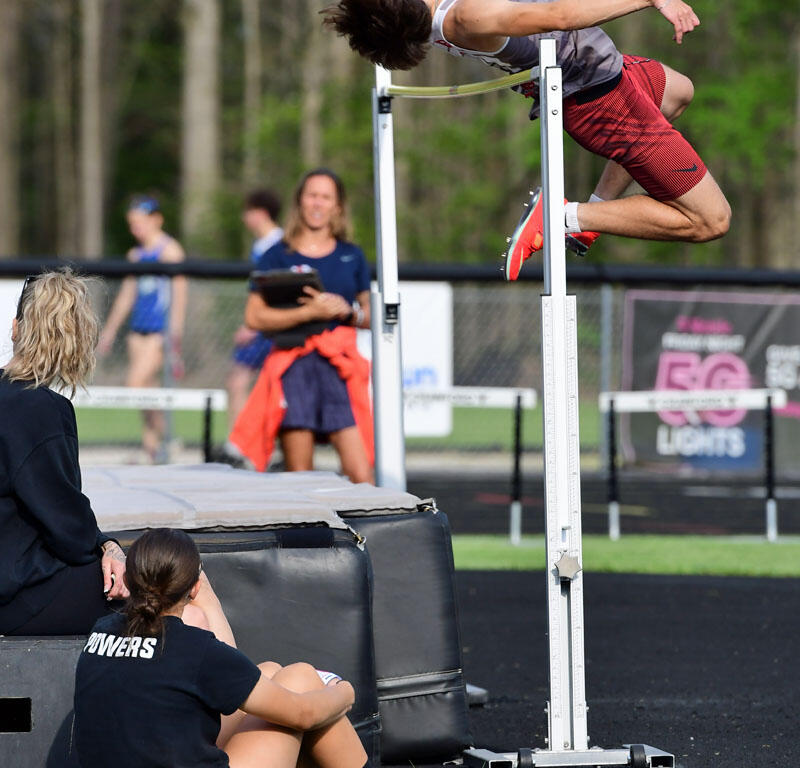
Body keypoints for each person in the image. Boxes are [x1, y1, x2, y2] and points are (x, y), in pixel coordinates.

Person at [322, 0, 731, 280]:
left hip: (601, 70)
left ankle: (594, 212)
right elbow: (561, 14)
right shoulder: (468, 16)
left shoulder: (442, 11)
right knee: (711, 219)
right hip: (601, 98)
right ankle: (564, 217)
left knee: (678, 92)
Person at [74, 528, 369, 768]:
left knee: (268, 672)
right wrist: (344, 691)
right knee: (301, 679)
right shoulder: (194, 649)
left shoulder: (100, 631)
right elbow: (302, 714)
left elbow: (229, 674)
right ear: (194, 588)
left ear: (127, 579)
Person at [0, 270, 128, 636]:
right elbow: (69, 532)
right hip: (18, 594)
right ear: (78, 339)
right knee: (177, 590)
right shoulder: (41, 410)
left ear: (15, 328)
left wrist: (104, 542)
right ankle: (243, 691)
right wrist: (107, 546)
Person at [228, 169, 374, 483]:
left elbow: (371, 314)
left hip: (340, 368)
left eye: (326, 197)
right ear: (300, 201)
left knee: (362, 474)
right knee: (300, 477)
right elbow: (255, 317)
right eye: (312, 195)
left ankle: (366, 534)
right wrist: (309, 313)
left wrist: (348, 313)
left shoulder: (352, 255)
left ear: (337, 206)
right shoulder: (276, 255)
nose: (318, 203)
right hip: (294, 366)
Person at [97, 195, 188, 460]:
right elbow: (127, 295)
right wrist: (111, 330)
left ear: (156, 220)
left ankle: (168, 438)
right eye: (132, 223)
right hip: (138, 330)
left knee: (135, 384)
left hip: (159, 332)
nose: (135, 228)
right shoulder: (135, 255)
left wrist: (174, 335)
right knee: (147, 391)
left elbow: (179, 297)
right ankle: (153, 448)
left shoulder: (170, 251)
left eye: (140, 222)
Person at [226, 189, 283, 432]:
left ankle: (242, 442)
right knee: (239, 383)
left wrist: (253, 326)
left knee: (245, 383)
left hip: (270, 327)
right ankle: (241, 441)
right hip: (260, 324)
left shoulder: (279, 245)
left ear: (261, 213)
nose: (243, 218)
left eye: (247, 212)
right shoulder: (260, 245)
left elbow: (278, 291)